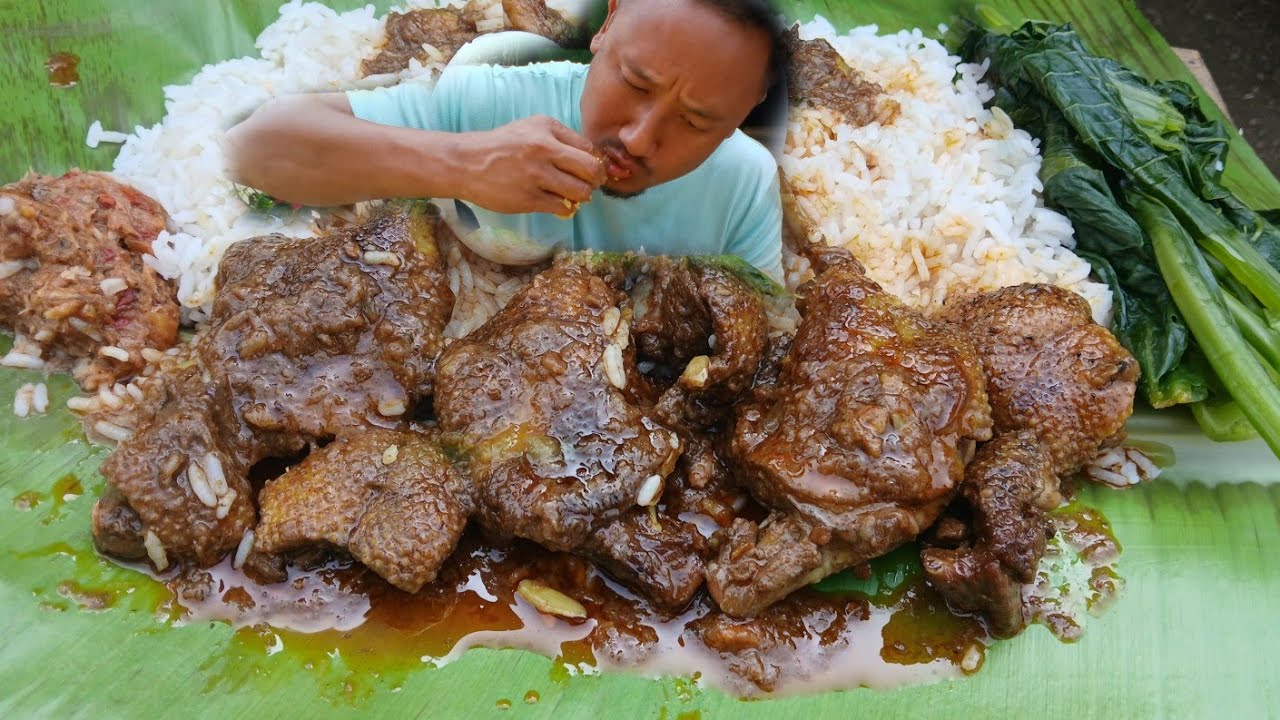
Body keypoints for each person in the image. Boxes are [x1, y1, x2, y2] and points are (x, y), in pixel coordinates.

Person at [227, 0, 789, 280]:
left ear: (746, 110)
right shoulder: (495, 103)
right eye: (635, 81)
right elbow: (257, 148)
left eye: (696, 122)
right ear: (607, 22)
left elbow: (761, 341)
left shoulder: (744, 181)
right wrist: (461, 165)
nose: (640, 139)